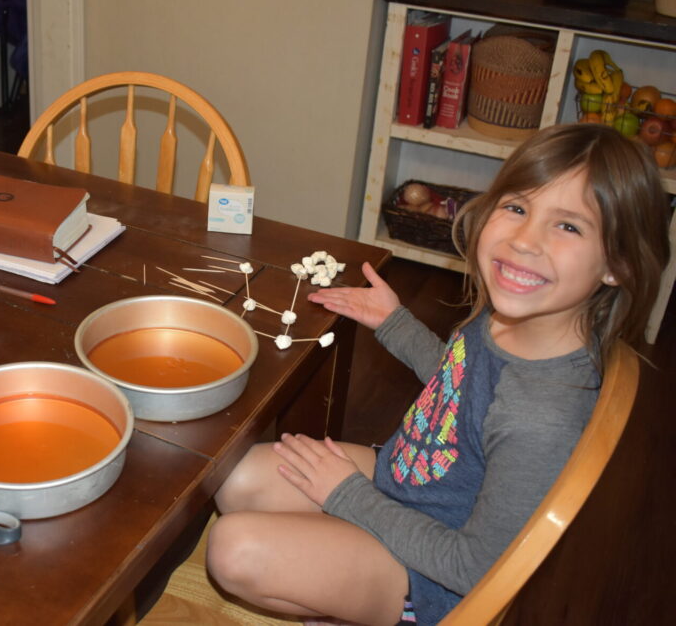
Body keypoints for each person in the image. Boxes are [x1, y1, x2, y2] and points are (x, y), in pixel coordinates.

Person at [205, 123, 671, 626]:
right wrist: (394, 322)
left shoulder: (542, 416)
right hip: (407, 483)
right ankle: (340, 568)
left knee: (234, 551)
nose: (524, 240)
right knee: (233, 479)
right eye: (517, 207)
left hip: (431, 572)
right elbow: (460, 389)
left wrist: (348, 497)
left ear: (617, 264)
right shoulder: (512, 318)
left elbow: (474, 569)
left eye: (569, 226)